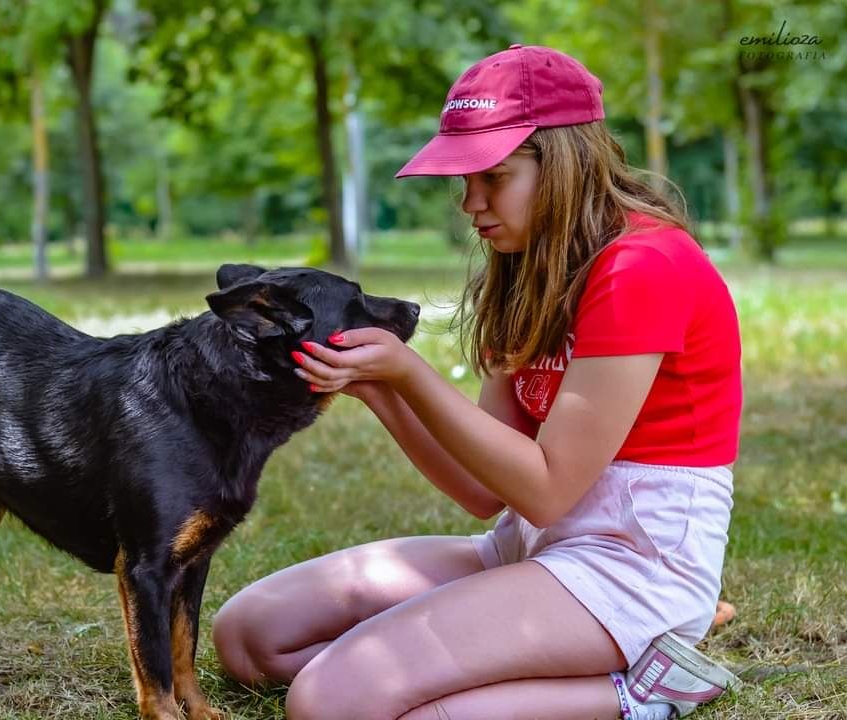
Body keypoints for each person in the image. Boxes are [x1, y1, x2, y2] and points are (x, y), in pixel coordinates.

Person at [211, 44, 742, 720]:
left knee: (331, 702)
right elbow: (483, 491)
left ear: (567, 162)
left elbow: (546, 490)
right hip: (531, 549)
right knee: (252, 639)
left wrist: (410, 371)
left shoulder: (643, 267)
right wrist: (376, 386)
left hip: (633, 568)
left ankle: (645, 692)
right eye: (463, 180)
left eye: (492, 177)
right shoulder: (526, 270)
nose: (470, 203)